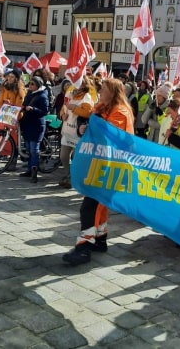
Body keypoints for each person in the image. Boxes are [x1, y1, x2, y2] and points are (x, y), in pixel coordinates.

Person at [62, 78, 134, 266]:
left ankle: (84, 247)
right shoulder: (104, 107)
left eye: (104, 89)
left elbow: (109, 136)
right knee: (98, 206)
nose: (100, 90)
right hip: (100, 163)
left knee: (90, 207)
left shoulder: (121, 111)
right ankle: (100, 239)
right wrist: (84, 127)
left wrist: (94, 124)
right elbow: (90, 129)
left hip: (111, 166)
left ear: (113, 92)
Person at [59, 76, 96, 189]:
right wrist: (62, 115)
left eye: (79, 83)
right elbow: (64, 108)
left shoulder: (87, 97)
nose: (76, 85)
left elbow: (88, 113)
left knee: (76, 158)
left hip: (78, 133)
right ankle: (68, 173)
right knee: (63, 156)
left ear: (84, 85)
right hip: (67, 131)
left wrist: (75, 108)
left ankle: (73, 178)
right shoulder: (70, 93)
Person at [18, 76, 49, 183]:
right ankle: (29, 169)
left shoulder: (42, 96)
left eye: (32, 84)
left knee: (34, 149)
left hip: (36, 125)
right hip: (27, 124)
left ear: (38, 85)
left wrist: (32, 109)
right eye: (30, 83)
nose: (30, 86)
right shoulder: (29, 93)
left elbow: (44, 111)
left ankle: (34, 171)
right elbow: (24, 104)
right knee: (28, 148)